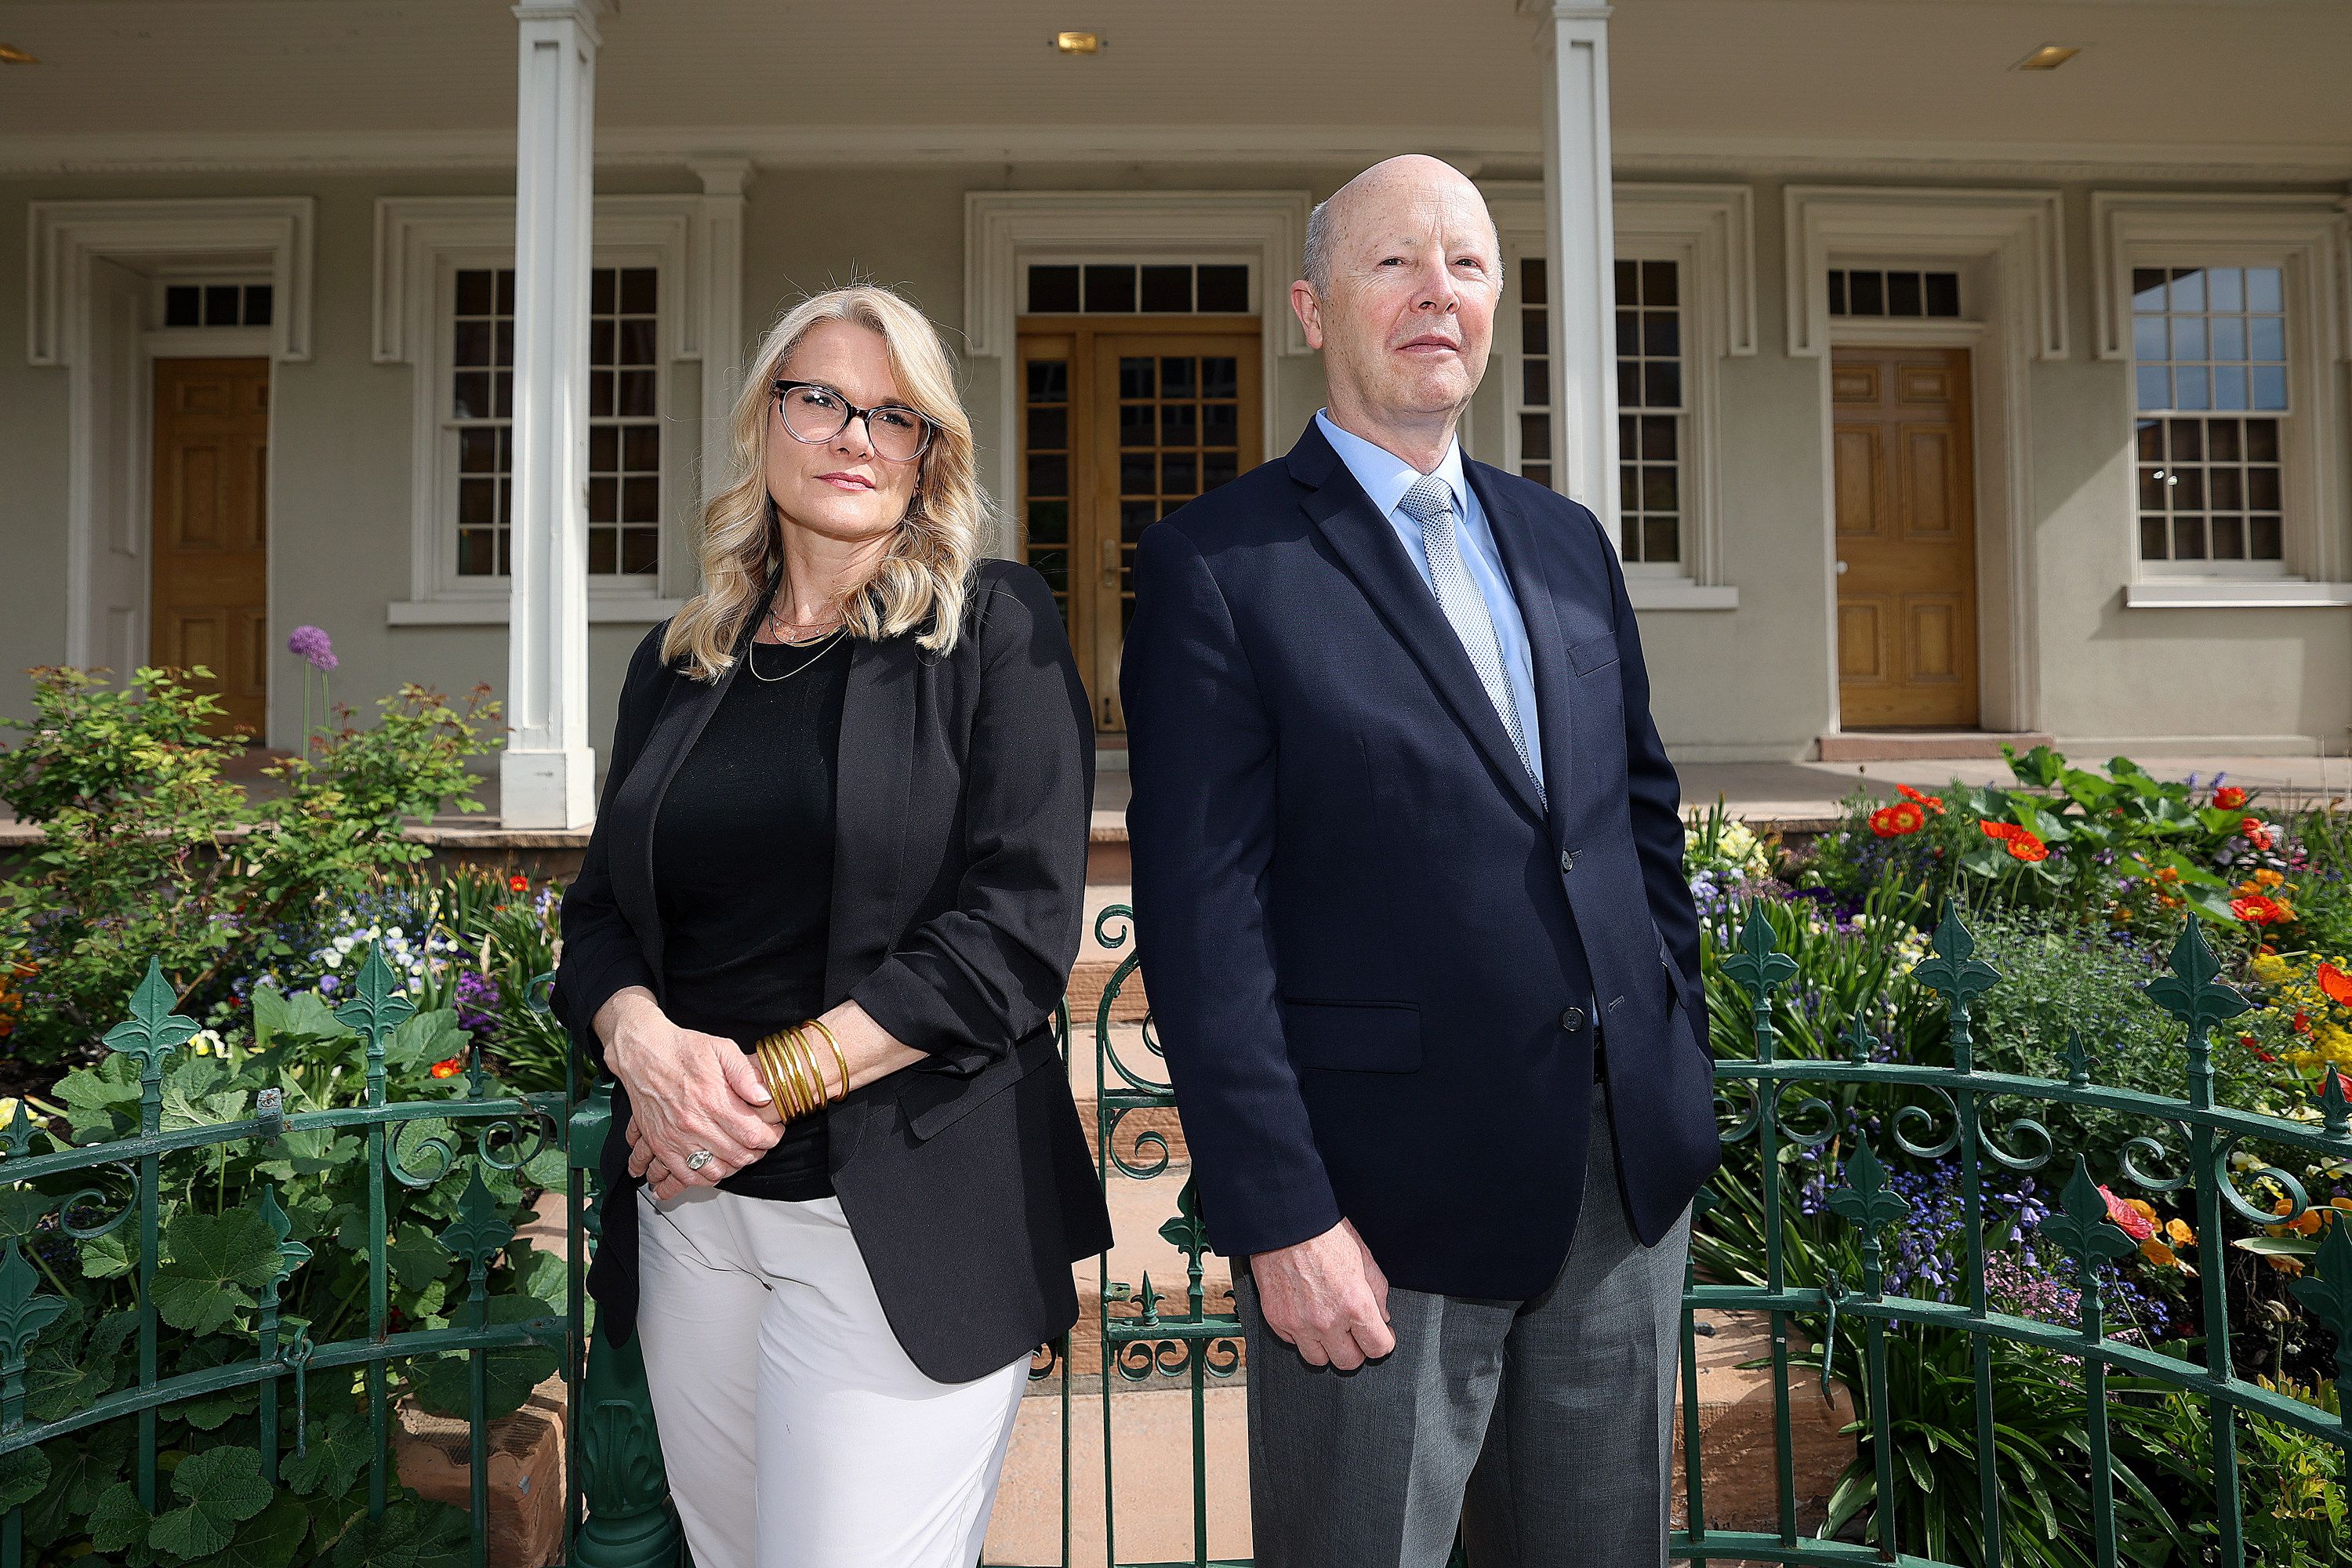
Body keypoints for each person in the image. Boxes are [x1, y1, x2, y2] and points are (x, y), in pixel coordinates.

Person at [1120, 156, 1719, 1567]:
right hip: (1376, 1226)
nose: (1434, 293)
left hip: (1613, 1194)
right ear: (1312, 307)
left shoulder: (1567, 544)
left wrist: (1672, 1068)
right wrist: (1283, 1215)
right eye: (1394, 263)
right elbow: (1205, 925)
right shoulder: (1222, 564)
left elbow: (1638, 826)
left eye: (1464, 263)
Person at [550, 285, 1112, 1568]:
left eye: (894, 413)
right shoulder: (681, 663)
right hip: (695, 1218)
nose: (856, 433)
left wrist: (755, 1086)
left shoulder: (994, 629)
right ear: (765, 425)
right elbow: (598, 921)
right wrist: (641, 1048)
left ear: (928, 454)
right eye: (821, 399)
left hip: (892, 1216)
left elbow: (1015, 937)